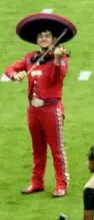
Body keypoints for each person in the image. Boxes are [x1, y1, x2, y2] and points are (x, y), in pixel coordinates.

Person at [3, 13, 76, 197]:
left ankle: (61, 184)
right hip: (33, 110)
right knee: (38, 149)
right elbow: (9, 69)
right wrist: (15, 76)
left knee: (56, 149)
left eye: (47, 36)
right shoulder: (30, 58)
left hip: (51, 109)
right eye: (41, 36)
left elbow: (56, 78)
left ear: (53, 40)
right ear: (37, 40)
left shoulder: (60, 59)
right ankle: (37, 182)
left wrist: (58, 60)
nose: (43, 39)